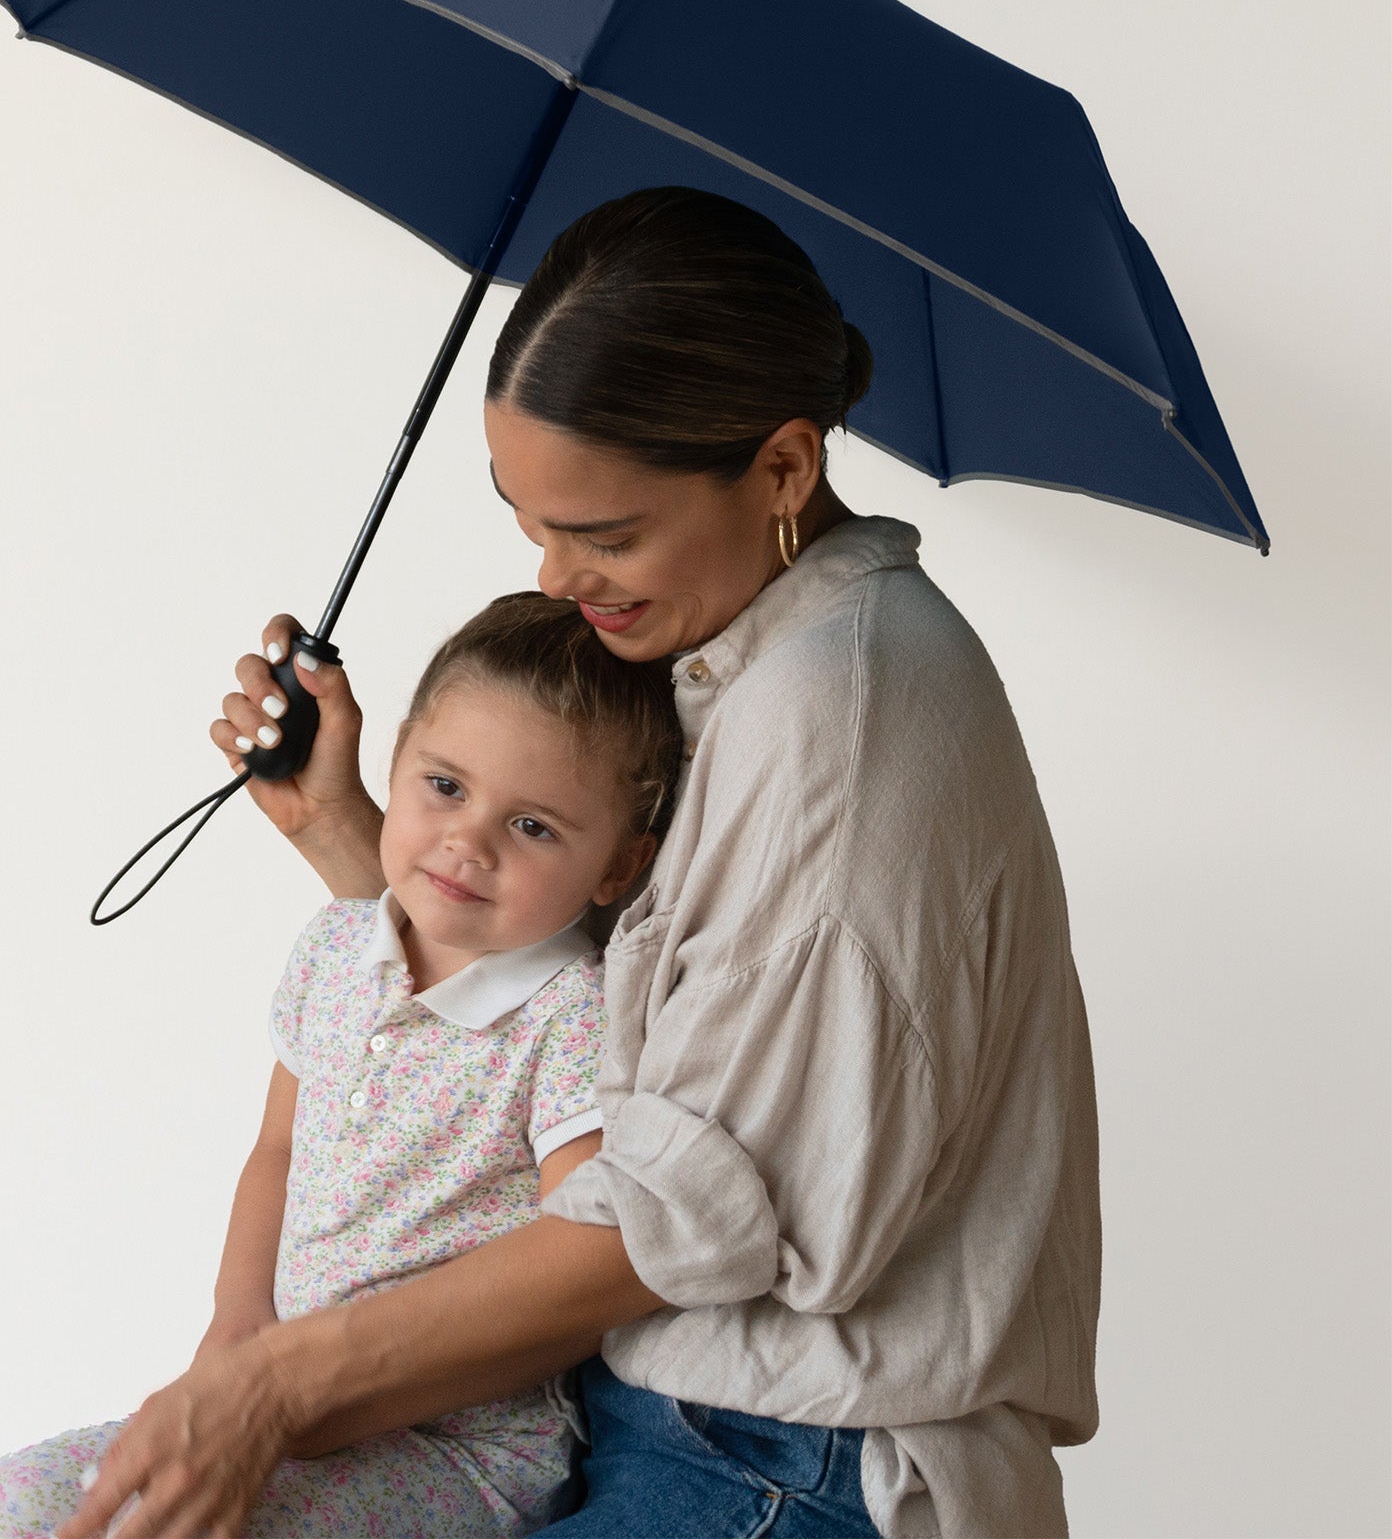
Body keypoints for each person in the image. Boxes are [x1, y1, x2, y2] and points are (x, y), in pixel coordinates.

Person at [60, 187, 1101, 1539]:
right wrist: (353, 842)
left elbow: (684, 1216)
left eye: (603, 535)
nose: (556, 576)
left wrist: (267, 1384)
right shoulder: (760, 660)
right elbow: (617, 1022)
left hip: (782, 1473)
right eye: (528, 521)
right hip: (678, 1437)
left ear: (784, 470)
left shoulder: (837, 722)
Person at [0, 594, 685, 1538]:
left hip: (459, 1448)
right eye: (444, 786)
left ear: (617, 866)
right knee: (20, 1501)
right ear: (393, 761)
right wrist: (237, 1325)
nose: (467, 841)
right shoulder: (334, 949)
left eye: (534, 827)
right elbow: (277, 1151)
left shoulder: (572, 1017)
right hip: (287, 1407)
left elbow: (577, 1278)